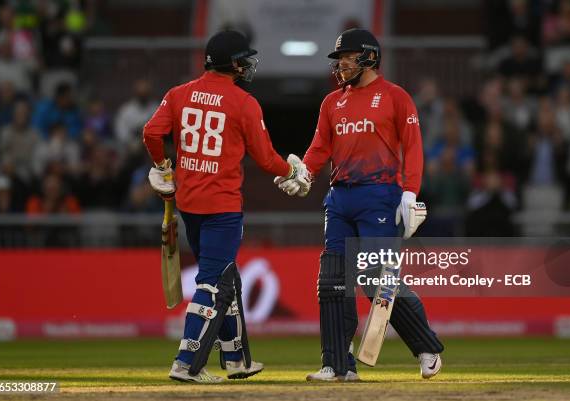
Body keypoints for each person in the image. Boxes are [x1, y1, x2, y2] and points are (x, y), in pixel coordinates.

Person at [276, 28, 444, 381]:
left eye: (347, 58)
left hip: (380, 195)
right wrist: (304, 173)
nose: (341, 65)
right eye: (339, 59)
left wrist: (410, 193)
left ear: (368, 57)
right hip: (339, 198)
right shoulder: (331, 102)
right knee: (333, 280)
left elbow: (413, 147)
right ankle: (337, 365)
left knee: (375, 279)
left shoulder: (396, 97)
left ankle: (426, 347)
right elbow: (320, 146)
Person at [143, 30, 309, 383]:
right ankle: (187, 362)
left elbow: (151, 134)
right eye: (243, 59)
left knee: (226, 278)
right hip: (222, 207)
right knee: (212, 284)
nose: (248, 64)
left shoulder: (178, 94)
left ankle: (236, 359)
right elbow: (266, 159)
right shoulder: (243, 102)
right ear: (232, 63)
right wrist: (292, 170)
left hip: (189, 203)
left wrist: (162, 167)